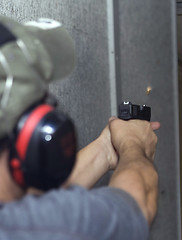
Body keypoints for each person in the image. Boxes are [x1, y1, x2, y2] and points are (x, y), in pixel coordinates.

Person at [0, 16, 160, 240]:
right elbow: (138, 205)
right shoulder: (28, 229)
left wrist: (105, 149)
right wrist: (133, 144)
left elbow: (38, 203)